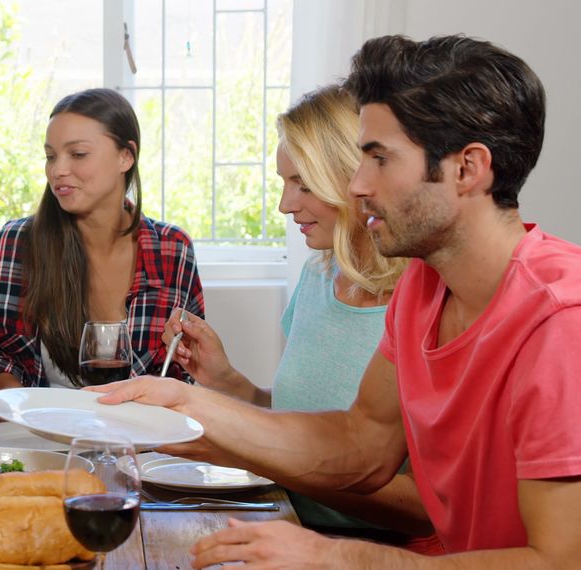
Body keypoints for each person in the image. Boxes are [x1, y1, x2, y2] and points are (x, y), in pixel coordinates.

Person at [92, 34, 581, 567]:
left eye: (378, 159)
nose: (356, 184)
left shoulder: (561, 320)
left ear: (467, 168)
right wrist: (189, 406)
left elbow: (558, 560)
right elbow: (364, 443)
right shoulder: (423, 289)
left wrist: (341, 558)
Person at [164, 84, 436, 545]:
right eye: (284, 182)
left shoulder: (426, 303)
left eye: (303, 184)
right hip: (287, 522)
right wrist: (229, 382)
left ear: (355, 179)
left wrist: (265, 456)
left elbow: (426, 512)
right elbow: (299, 418)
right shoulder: (318, 275)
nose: (285, 205)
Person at [0, 88, 204, 408]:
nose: (57, 170)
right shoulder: (17, 243)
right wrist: (21, 413)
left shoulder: (172, 250)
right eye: (51, 156)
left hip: (139, 442)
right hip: (41, 440)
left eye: (77, 154)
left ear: (126, 156)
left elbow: (181, 371)